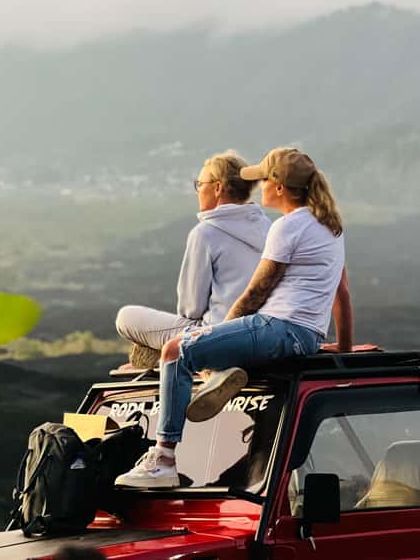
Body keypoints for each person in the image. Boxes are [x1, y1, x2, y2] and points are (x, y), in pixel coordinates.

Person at [116, 147, 353, 488]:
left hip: (276, 328)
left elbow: (256, 293)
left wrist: (218, 335)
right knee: (203, 346)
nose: (260, 187)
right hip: (307, 336)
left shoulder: (287, 227)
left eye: (264, 180)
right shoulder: (330, 227)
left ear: (280, 187)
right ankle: (218, 369)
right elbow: (342, 294)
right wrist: (343, 351)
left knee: (174, 351)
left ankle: (163, 461)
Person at [115, 151, 271, 366]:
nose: (198, 191)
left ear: (218, 188)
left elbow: (191, 309)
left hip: (215, 334)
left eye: (200, 184)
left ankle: (178, 360)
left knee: (125, 318)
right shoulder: (268, 226)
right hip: (261, 333)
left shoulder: (205, 233)